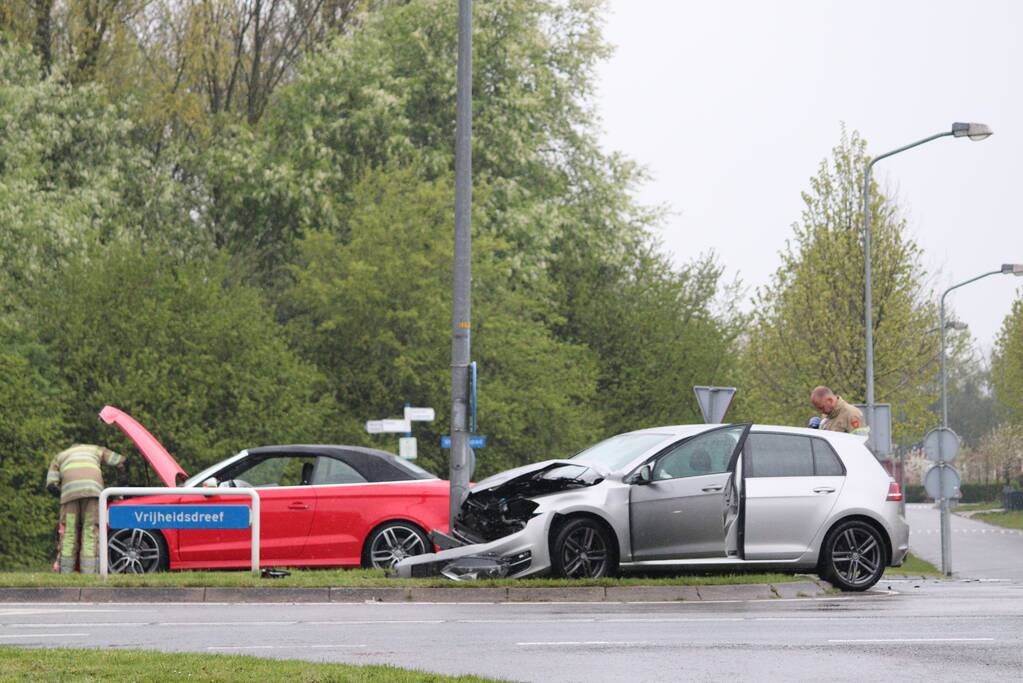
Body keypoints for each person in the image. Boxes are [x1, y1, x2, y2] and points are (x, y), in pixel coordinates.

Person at [46, 445, 126, 573]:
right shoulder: (96, 449)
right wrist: (122, 480)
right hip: (93, 492)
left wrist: (64, 494)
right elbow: (120, 460)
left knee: (69, 532)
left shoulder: (60, 456)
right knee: (90, 530)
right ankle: (89, 572)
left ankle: (66, 572)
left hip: (69, 495)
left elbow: (51, 484)